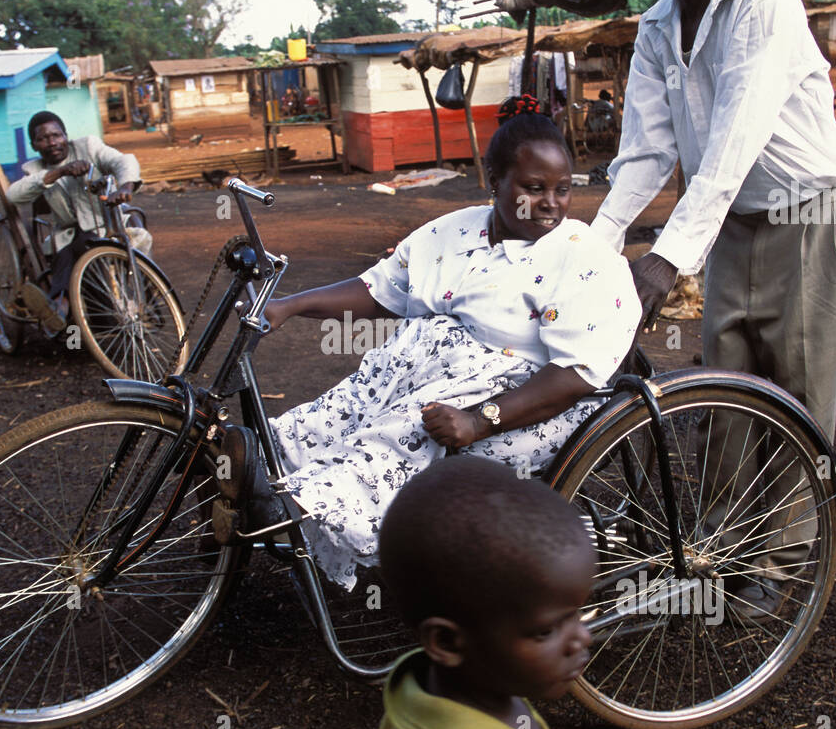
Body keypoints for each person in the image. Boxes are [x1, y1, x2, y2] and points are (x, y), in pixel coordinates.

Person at [221, 96, 641, 590]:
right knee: (351, 404)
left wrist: (481, 420)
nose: (549, 203)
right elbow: (380, 290)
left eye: (562, 189)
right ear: (495, 182)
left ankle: (310, 504)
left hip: (530, 401)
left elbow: (575, 376)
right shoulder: (454, 232)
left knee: (409, 428)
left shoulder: (584, 258)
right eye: (533, 188)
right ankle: (271, 464)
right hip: (437, 375)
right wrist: (290, 306)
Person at [588, 0, 836, 616]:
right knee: (729, 393)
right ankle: (724, 544)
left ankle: (781, 559)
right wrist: (594, 247)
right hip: (736, 224)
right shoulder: (655, 26)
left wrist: (666, 258)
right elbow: (647, 152)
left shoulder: (762, 6)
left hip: (809, 217)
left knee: (797, 394)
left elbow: (732, 145)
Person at [373, 455, 595, 729]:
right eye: (547, 630)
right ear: (447, 642)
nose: (583, 637)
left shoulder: (416, 701)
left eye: (576, 613)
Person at [5, 110, 143, 333]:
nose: (52, 143)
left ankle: (61, 305)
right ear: (34, 145)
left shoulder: (89, 146)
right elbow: (13, 195)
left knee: (87, 248)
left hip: (106, 225)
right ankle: (61, 309)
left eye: (56, 135)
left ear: (65, 135)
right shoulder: (34, 168)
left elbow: (123, 161)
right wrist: (59, 172)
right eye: (43, 139)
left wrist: (125, 186)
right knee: (70, 253)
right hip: (67, 234)